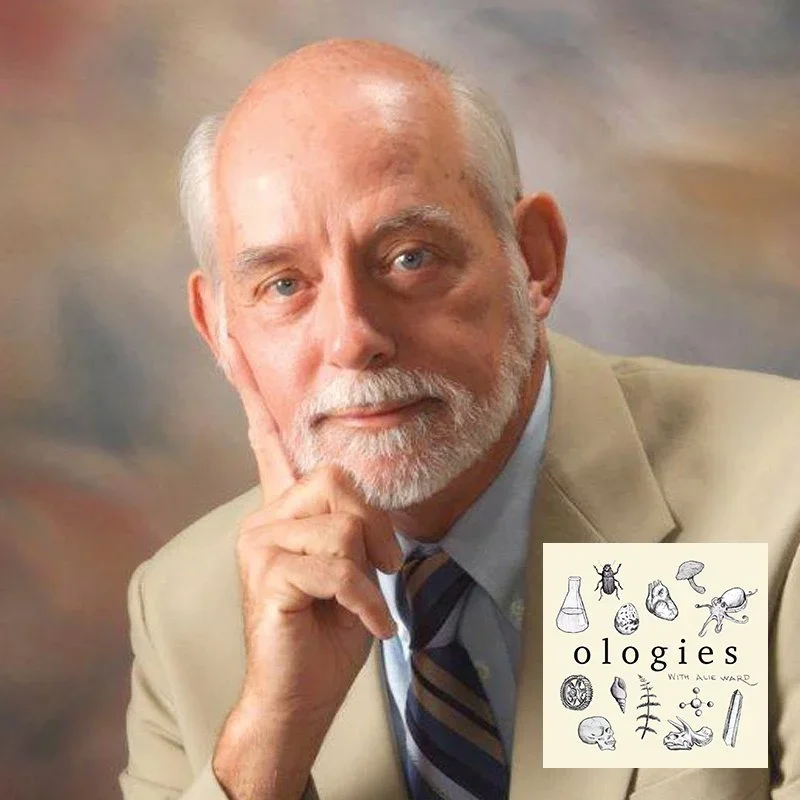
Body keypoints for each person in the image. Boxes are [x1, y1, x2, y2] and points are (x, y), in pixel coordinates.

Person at [120, 39, 800, 800]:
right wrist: (271, 736)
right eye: (284, 285)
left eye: (410, 257)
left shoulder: (783, 501)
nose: (352, 339)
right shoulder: (181, 606)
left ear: (533, 259)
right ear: (219, 329)